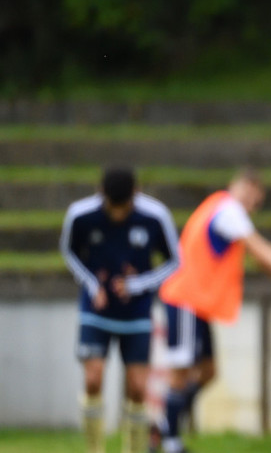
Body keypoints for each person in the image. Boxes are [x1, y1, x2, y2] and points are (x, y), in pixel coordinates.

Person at [157, 169, 271, 453]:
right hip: (184, 299)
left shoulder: (219, 207)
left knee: (208, 371)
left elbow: (253, 255)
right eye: (256, 197)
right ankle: (169, 441)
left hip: (196, 303)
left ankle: (164, 425)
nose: (255, 205)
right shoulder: (228, 210)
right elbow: (258, 249)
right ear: (247, 188)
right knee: (180, 372)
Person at [60, 167, 180, 453]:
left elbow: (176, 261)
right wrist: (92, 285)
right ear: (101, 196)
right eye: (112, 208)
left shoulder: (155, 216)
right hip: (96, 312)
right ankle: (94, 449)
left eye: (123, 208)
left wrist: (137, 285)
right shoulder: (80, 214)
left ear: (135, 196)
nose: (117, 215)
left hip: (136, 314)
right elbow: (69, 251)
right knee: (93, 377)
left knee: (138, 388)